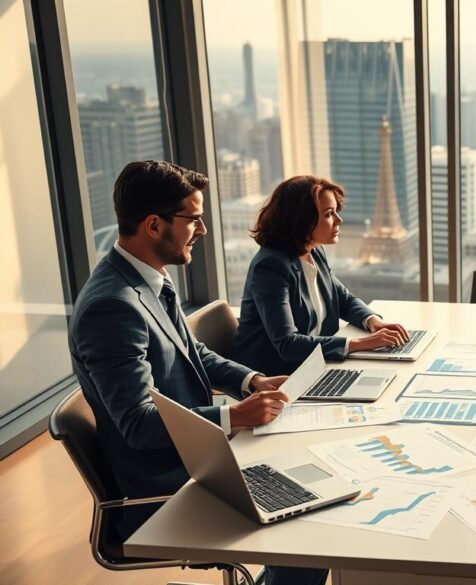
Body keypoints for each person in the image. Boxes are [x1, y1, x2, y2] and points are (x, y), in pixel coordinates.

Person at [68, 160, 327, 585]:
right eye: (194, 219)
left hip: (201, 457)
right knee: (310, 523)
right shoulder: (111, 307)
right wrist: (234, 416)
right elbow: (137, 424)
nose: (202, 230)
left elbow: (192, 352)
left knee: (314, 471)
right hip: (167, 486)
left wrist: (251, 380)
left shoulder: (143, 281)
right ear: (154, 225)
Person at [230, 176, 409, 376]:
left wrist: (372, 321)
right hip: (277, 380)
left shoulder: (313, 250)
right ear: (302, 220)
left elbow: (342, 298)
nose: (339, 220)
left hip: (315, 367)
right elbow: (288, 344)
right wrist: (361, 343)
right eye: (329, 214)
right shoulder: (270, 267)